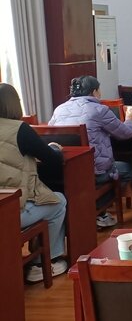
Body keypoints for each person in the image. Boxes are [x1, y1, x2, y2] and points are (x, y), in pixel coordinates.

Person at [49, 75, 132, 228]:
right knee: (127, 169)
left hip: (67, 170)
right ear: (94, 91)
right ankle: (98, 209)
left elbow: (52, 134)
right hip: (95, 172)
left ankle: (89, 207)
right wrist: (130, 118)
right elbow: (125, 133)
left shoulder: (59, 109)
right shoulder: (99, 110)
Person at [0, 83, 69, 282]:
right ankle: (42, 263)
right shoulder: (19, 130)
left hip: (3, 203)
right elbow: (52, 159)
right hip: (12, 211)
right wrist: (54, 148)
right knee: (59, 202)